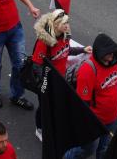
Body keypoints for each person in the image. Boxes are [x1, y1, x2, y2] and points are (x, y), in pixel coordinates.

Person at [65, 33, 117, 159]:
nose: (111, 58)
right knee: (87, 150)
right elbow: (82, 103)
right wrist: (86, 126)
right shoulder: (87, 70)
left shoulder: (113, 61)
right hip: (94, 122)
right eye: (108, 55)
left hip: (112, 118)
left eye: (112, 54)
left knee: (106, 150)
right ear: (100, 53)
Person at [32, 9, 90, 140]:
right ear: (56, 25)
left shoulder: (65, 36)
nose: (68, 26)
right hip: (48, 81)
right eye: (64, 23)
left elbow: (65, 51)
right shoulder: (44, 41)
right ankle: (40, 128)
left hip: (60, 79)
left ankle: (53, 125)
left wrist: (82, 50)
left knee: (57, 104)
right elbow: (37, 65)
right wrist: (45, 85)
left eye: (68, 22)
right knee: (44, 106)